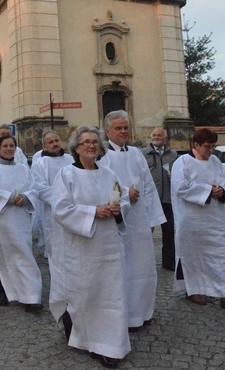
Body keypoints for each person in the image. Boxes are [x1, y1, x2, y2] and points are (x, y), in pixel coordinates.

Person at [50, 126, 131, 368]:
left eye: (95, 142)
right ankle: (88, 340)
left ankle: (112, 344)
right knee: (87, 295)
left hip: (109, 248)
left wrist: (118, 210)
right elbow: (60, 210)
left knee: (112, 295)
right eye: (86, 142)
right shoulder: (66, 175)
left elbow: (122, 199)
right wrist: (93, 212)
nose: (91, 145)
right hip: (81, 248)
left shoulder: (109, 173)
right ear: (76, 148)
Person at [99, 110, 166, 330]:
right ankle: (124, 316)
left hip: (139, 220)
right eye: (118, 128)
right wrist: (127, 192)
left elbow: (148, 185)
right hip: (116, 221)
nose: (123, 131)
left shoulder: (137, 153)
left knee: (143, 266)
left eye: (126, 127)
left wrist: (152, 216)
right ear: (107, 131)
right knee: (122, 268)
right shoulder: (103, 157)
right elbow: (102, 184)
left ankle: (143, 312)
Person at [171, 128, 225, 309]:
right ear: (196, 145)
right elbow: (180, 187)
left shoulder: (216, 161)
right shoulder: (183, 162)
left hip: (214, 218)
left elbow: (224, 180)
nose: (211, 150)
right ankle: (193, 289)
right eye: (207, 146)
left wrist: (221, 189)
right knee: (191, 255)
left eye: (213, 146)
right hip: (190, 219)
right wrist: (208, 190)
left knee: (219, 255)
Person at [0, 135, 43, 312]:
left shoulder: (23, 169)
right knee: (2, 256)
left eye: (12, 146)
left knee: (24, 255)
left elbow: (33, 189)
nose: (9, 149)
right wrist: (8, 198)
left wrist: (24, 197)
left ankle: (31, 296)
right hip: (0, 219)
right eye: (5, 146)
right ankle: (3, 291)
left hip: (20, 219)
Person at [30, 130, 72, 258]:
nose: (55, 144)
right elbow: (40, 188)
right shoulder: (40, 164)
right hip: (52, 210)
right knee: (55, 249)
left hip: (73, 209)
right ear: (44, 147)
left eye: (56, 140)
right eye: (51, 142)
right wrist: (63, 199)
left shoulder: (71, 159)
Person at [142, 128, 178, 271]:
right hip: (150, 198)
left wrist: (174, 176)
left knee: (169, 231)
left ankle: (169, 262)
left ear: (165, 138)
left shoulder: (173, 154)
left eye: (159, 135)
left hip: (167, 198)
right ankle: (145, 263)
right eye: (154, 135)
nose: (156, 137)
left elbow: (178, 172)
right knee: (146, 231)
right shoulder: (143, 154)